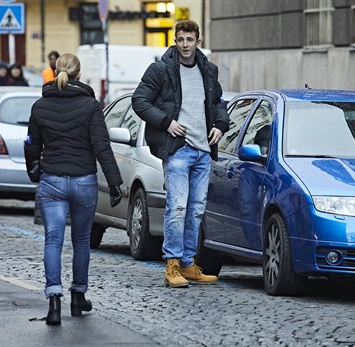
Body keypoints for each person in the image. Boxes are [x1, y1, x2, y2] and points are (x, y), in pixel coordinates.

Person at [24, 53, 124, 325]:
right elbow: (102, 146)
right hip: (83, 181)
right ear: (79, 75)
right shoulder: (91, 106)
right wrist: (115, 183)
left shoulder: (40, 106)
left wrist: (33, 167)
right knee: (81, 241)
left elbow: (32, 142)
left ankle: (53, 300)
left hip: (52, 179)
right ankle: (78, 296)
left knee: (53, 239)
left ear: (55, 72)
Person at [132, 20, 230, 288]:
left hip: (202, 151)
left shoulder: (208, 70)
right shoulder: (161, 70)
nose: (185, 44)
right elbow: (139, 101)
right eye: (181, 39)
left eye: (190, 39)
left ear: (198, 41)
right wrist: (166, 122)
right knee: (177, 207)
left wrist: (220, 126)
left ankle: (188, 264)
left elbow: (218, 104)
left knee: (196, 210)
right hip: (177, 150)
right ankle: (172, 264)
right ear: (175, 41)